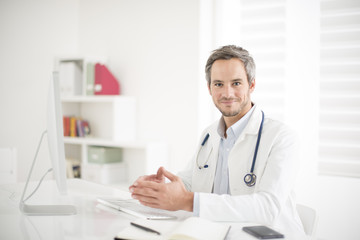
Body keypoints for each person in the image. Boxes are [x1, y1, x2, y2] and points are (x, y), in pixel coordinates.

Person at [129, 45, 304, 234]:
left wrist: (187, 201)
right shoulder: (209, 134)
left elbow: (267, 208)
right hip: (218, 233)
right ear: (209, 88)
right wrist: (160, 188)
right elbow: (191, 182)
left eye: (236, 83)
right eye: (219, 84)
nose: (227, 93)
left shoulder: (282, 137)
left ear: (251, 85)